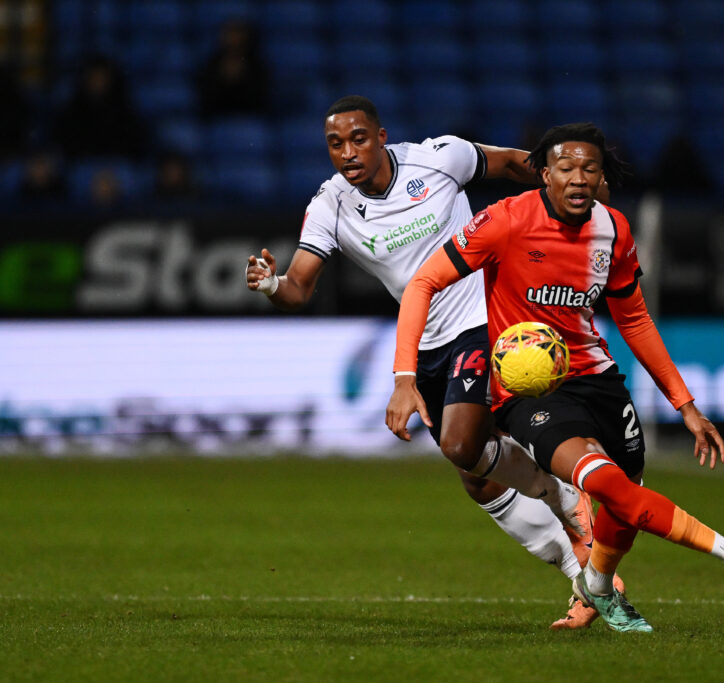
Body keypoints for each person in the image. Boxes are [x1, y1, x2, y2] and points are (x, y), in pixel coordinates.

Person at [388, 122, 724, 633]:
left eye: (589, 169)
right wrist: (404, 375)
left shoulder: (613, 229)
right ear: (543, 174)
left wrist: (685, 406)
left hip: (597, 377)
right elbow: (424, 282)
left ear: (600, 179)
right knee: (605, 483)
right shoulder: (504, 221)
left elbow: (633, 319)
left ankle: (596, 586)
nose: (577, 178)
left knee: (622, 504)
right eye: (566, 168)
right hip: (527, 390)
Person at [244, 96, 605, 629]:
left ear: (382, 135)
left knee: (462, 443)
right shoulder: (330, 206)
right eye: (336, 143)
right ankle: (577, 561)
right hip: (430, 341)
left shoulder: (440, 157)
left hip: (488, 318)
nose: (348, 152)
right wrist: (270, 283)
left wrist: (570, 191)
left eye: (359, 138)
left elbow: (510, 162)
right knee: (476, 476)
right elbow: (298, 288)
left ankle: (574, 512)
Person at [53, 54, 142, 159]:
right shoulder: (71, 113)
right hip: (81, 166)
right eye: (93, 78)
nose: (98, 83)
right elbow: (66, 146)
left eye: (101, 78)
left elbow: (133, 146)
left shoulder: (124, 112)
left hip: (116, 168)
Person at [197, 19, 270, 119]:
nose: (234, 39)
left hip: (248, 119)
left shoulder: (256, 65)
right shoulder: (213, 64)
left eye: (238, 34)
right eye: (230, 34)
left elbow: (260, 98)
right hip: (216, 118)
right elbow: (206, 96)